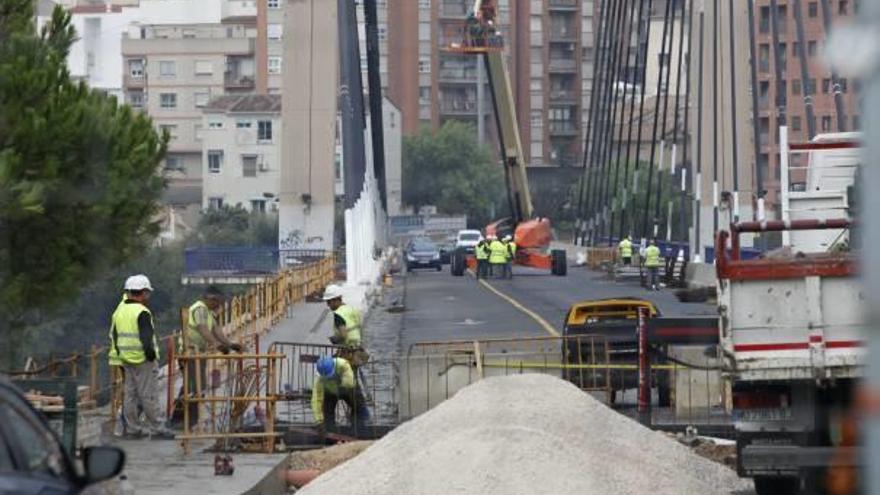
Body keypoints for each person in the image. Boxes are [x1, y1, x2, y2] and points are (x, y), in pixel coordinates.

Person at [111, 275, 173, 439]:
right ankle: (158, 428)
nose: (148, 297)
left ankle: (133, 429)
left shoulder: (120, 310)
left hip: (125, 358)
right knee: (149, 395)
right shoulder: (142, 311)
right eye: (148, 293)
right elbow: (146, 337)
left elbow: (115, 335)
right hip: (143, 359)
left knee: (129, 395)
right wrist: (151, 355)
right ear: (143, 293)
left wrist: (121, 355)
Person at [173, 286, 242, 428]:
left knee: (194, 387)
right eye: (218, 302)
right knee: (195, 388)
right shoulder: (200, 309)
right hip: (190, 353)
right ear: (211, 299)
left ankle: (186, 420)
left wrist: (229, 345)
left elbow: (216, 331)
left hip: (198, 353)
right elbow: (202, 329)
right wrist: (217, 345)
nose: (219, 305)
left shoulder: (208, 313)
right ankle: (181, 420)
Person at [311, 356, 370, 434]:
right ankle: (329, 433)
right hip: (330, 392)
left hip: (348, 389)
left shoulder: (342, 364)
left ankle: (360, 430)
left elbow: (349, 382)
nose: (329, 378)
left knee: (359, 408)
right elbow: (316, 399)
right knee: (327, 413)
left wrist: (339, 381)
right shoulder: (319, 378)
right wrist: (319, 421)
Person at [322, 285, 369, 367]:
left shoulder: (338, 314)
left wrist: (334, 339)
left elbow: (343, 335)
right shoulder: (351, 309)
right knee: (351, 376)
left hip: (347, 351)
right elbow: (359, 328)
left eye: (329, 302)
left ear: (335, 300)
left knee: (333, 370)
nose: (328, 305)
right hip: (357, 349)